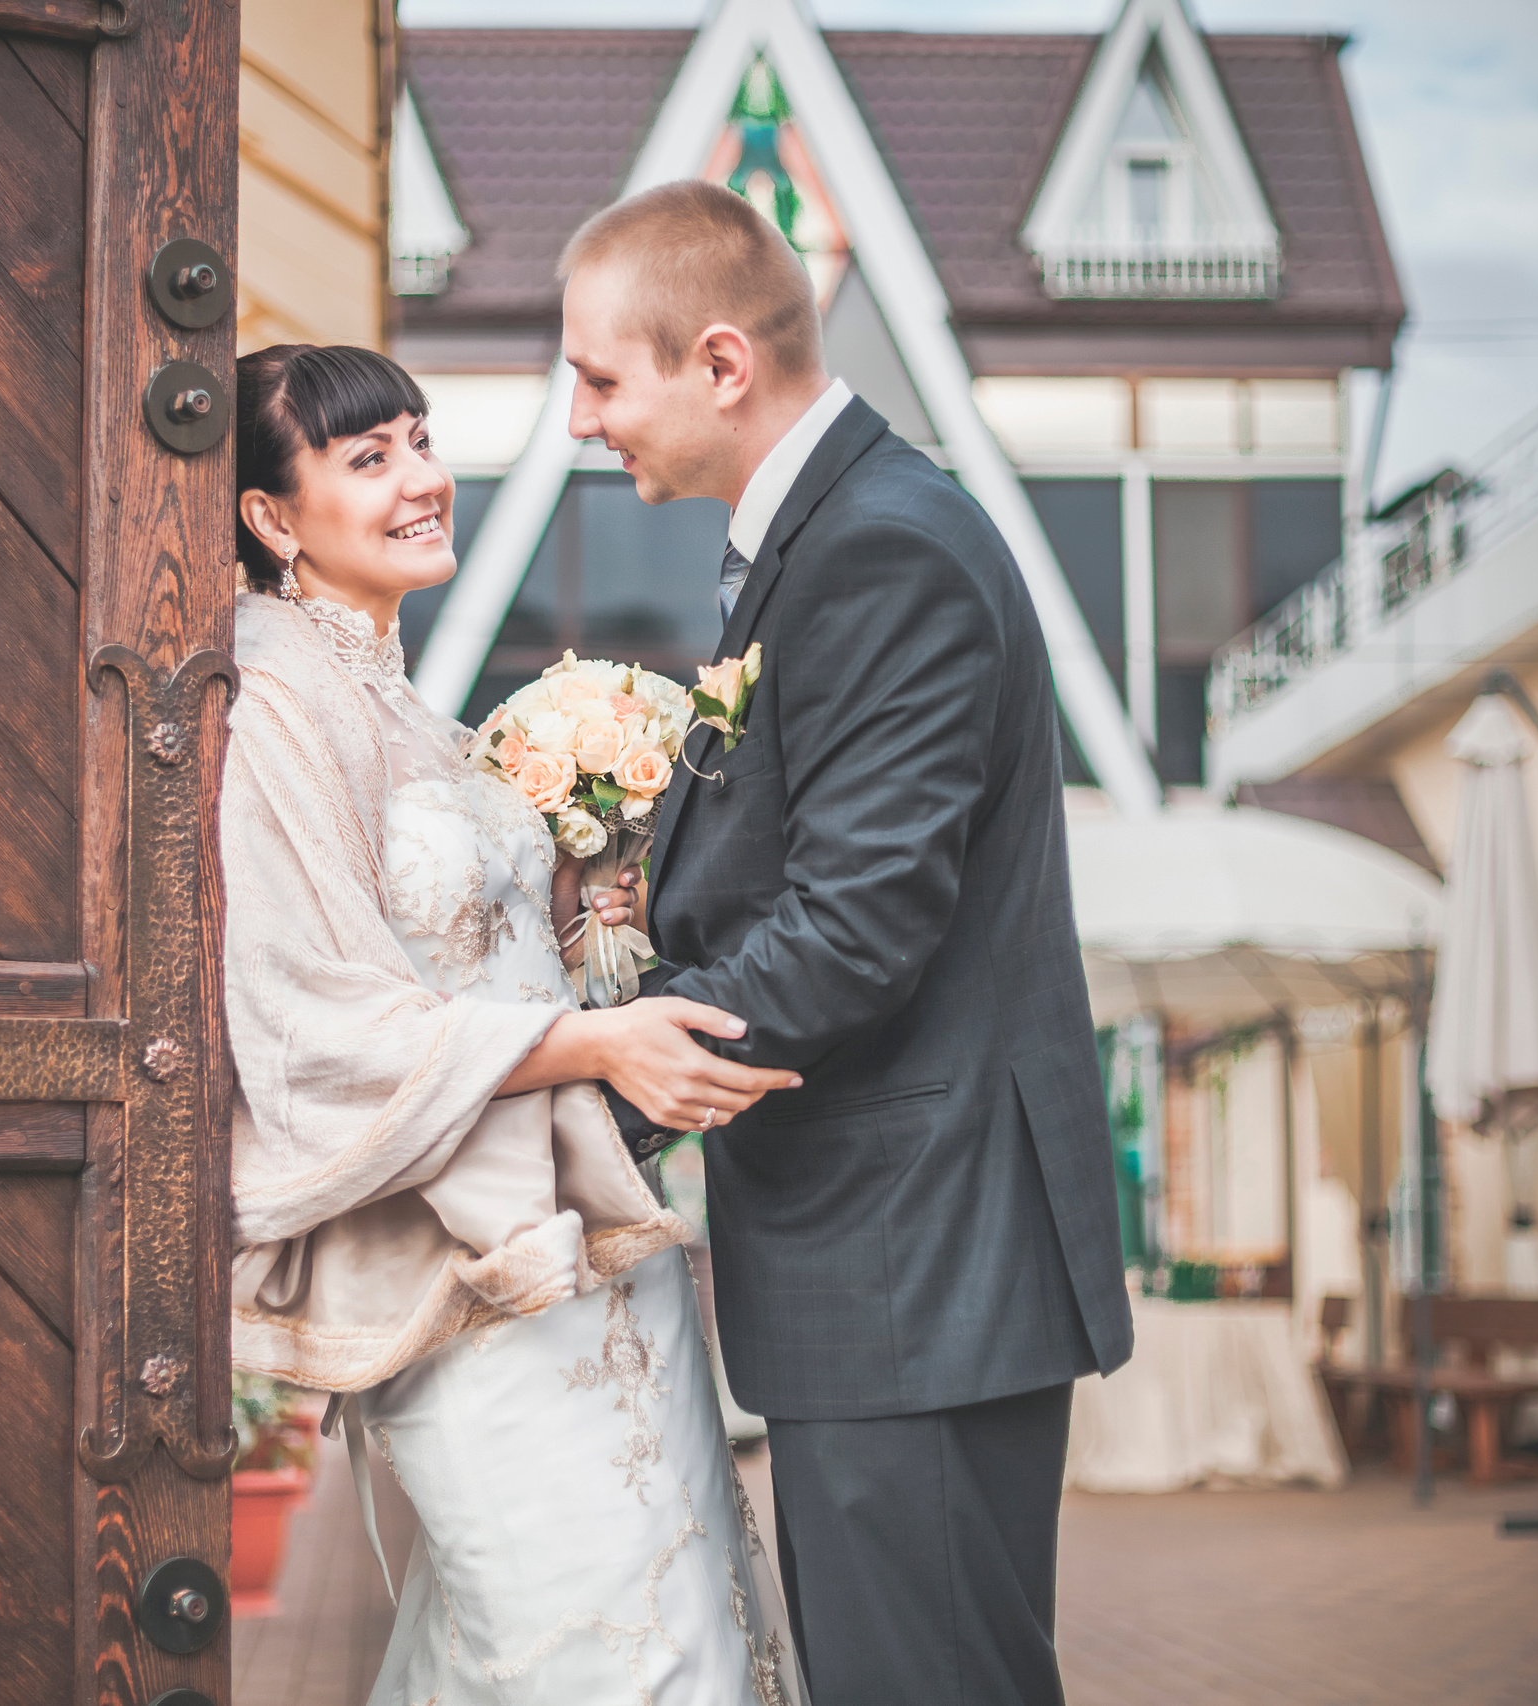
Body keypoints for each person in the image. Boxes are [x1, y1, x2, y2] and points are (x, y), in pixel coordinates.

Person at [566, 181, 1134, 1705]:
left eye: (602, 377)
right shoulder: (833, 538)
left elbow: (857, 923)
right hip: (888, 1267)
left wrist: (589, 1096)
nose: (578, 420)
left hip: (918, 1263)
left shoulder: (883, 549)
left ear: (723, 364)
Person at [221, 341, 808, 1706]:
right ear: (269, 515)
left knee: (681, 1607)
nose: (422, 479)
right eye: (368, 459)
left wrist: (585, 911)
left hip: (593, 1244)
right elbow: (315, 1021)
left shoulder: (414, 711)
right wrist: (599, 1047)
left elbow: (488, 970)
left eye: (421, 440)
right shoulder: (269, 701)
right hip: (464, 1272)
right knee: (584, 1644)